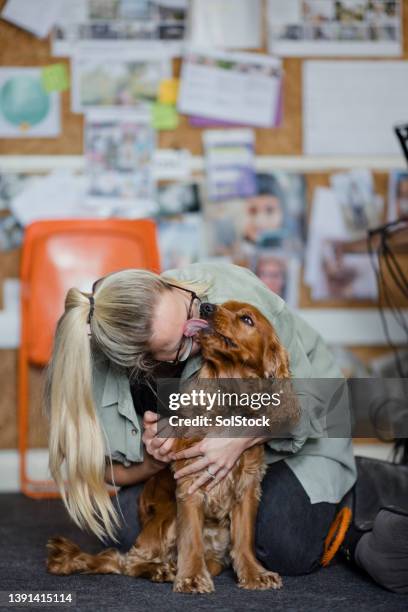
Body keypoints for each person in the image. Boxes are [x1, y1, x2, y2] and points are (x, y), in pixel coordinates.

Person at [46, 261, 357, 576]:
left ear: (167, 285)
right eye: (182, 345)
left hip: (297, 443)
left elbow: (316, 403)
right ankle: (214, 542)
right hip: (190, 473)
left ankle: (361, 499)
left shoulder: (233, 299)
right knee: (124, 529)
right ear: (141, 361)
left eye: (188, 305)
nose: (198, 324)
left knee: (280, 543)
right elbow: (101, 469)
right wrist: (155, 460)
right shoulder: (108, 355)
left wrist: (238, 436)